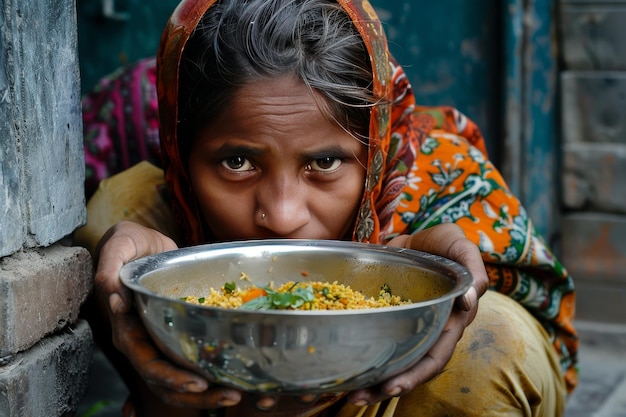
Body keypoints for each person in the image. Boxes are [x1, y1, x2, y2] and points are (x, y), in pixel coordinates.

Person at [75, 0, 579, 416]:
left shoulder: (441, 181)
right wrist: (141, 319)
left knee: (489, 337)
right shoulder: (163, 213)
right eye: (236, 161)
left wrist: (441, 279)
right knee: (115, 216)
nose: (284, 215)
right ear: (183, 157)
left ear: (374, 152)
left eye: (324, 161)